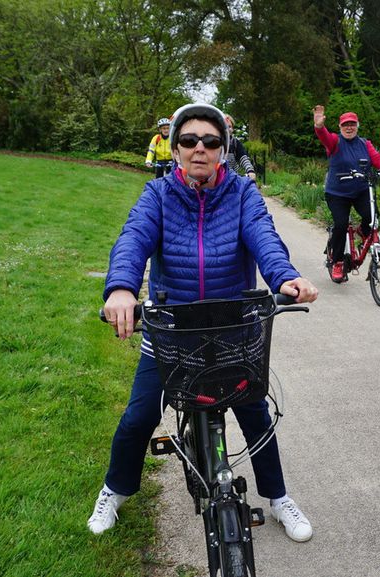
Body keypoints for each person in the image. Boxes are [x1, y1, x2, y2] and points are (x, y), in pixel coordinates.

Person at [90, 102, 319, 543]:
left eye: (211, 142)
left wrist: (285, 276)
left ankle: (278, 498)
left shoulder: (242, 194)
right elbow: (134, 238)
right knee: (139, 417)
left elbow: (264, 237)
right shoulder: (157, 195)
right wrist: (121, 288)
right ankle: (114, 491)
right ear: (174, 148)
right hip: (172, 331)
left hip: (232, 328)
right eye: (189, 140)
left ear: (223, 150)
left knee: (257, 415)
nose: (200, 148)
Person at [312, 105, 380, 283]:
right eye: (345, 125)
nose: (349, 127)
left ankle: (362, 231)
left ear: (357, 125)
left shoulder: (364, 144)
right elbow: (324, 137)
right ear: (340, 127)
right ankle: (337, 262)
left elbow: (377, 158)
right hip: (337, 193)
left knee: (373, 218)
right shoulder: (335, 142)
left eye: (352, 124)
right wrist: (319, 126)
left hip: (361, 190)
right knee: (341, 224)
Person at [224, 114, 257, 181]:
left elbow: (243, 158)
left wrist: (250, 171)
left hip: (232, 178)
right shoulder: (214, 141)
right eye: (225, 126)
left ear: (233, 129)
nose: (227, 129)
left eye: (229, 127)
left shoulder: (235, 143)